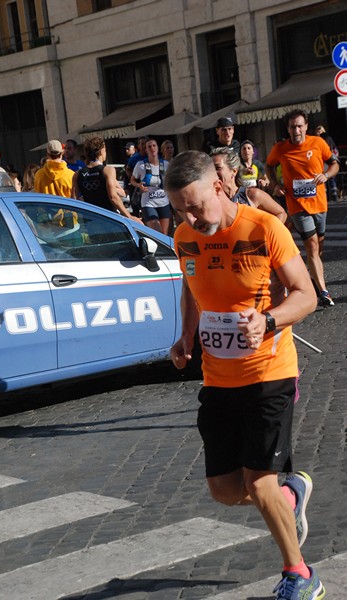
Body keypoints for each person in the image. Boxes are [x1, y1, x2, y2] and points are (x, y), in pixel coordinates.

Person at [165, 150, 324, 600]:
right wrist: (186, 337)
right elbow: (192, 287)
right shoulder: (184, 237)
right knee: (225, 490)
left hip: (270, 372)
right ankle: (290, 495)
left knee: (258, 481)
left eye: (196, 205)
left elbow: (305, 295)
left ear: (218, 186)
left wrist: (269, 320)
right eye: (181, 209)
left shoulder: (263, 227)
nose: (191, 217)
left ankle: (300, 575)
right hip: (217, 379)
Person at [266, 109, 339, 307]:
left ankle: (315, 278)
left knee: (318, 247)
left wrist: (327, 175)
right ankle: (323, 292)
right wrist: (276, 184)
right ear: (288, 129)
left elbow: (334, 164)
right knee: (312, 246)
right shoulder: (280, 148)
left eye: (299, 126)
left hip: (320, 203)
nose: (296, 130)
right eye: (292, 127)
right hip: (297, 205)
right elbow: (268, 165)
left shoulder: (318, 143)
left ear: (306, 126)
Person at [210, 147, 287, 223]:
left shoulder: (252, 195)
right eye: (210, 169)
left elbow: (281, 213)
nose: (212, 172)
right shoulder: (210, 201)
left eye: (217, 168)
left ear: (234, 171)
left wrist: (267, 233)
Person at [75, 135, 141, 222]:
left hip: (89, 220)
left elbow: (74, 199)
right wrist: (129, 216)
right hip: (108, 218)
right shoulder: (107, 170)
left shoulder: (77, 174)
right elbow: (113, 197)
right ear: (101, 151)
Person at [131, 138, 171, 235]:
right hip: (148, 203)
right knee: (157, 232)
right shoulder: (140, 165)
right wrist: (139, 185)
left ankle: (161, 250)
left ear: (158, 148)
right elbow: (132, 180)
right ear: (146, 150)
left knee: (164, 234)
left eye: (154, 146)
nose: (152, 148)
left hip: (163, 202)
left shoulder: (166, 164)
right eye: (149, 146)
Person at [314, 125, 339, 203]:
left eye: (319, 131)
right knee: (330, 178)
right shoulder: (328, 138)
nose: (319, 132)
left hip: (325, 160)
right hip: (329, 160)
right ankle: (334, 195)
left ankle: (328, 196)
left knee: (326, 178)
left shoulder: (320, 139)